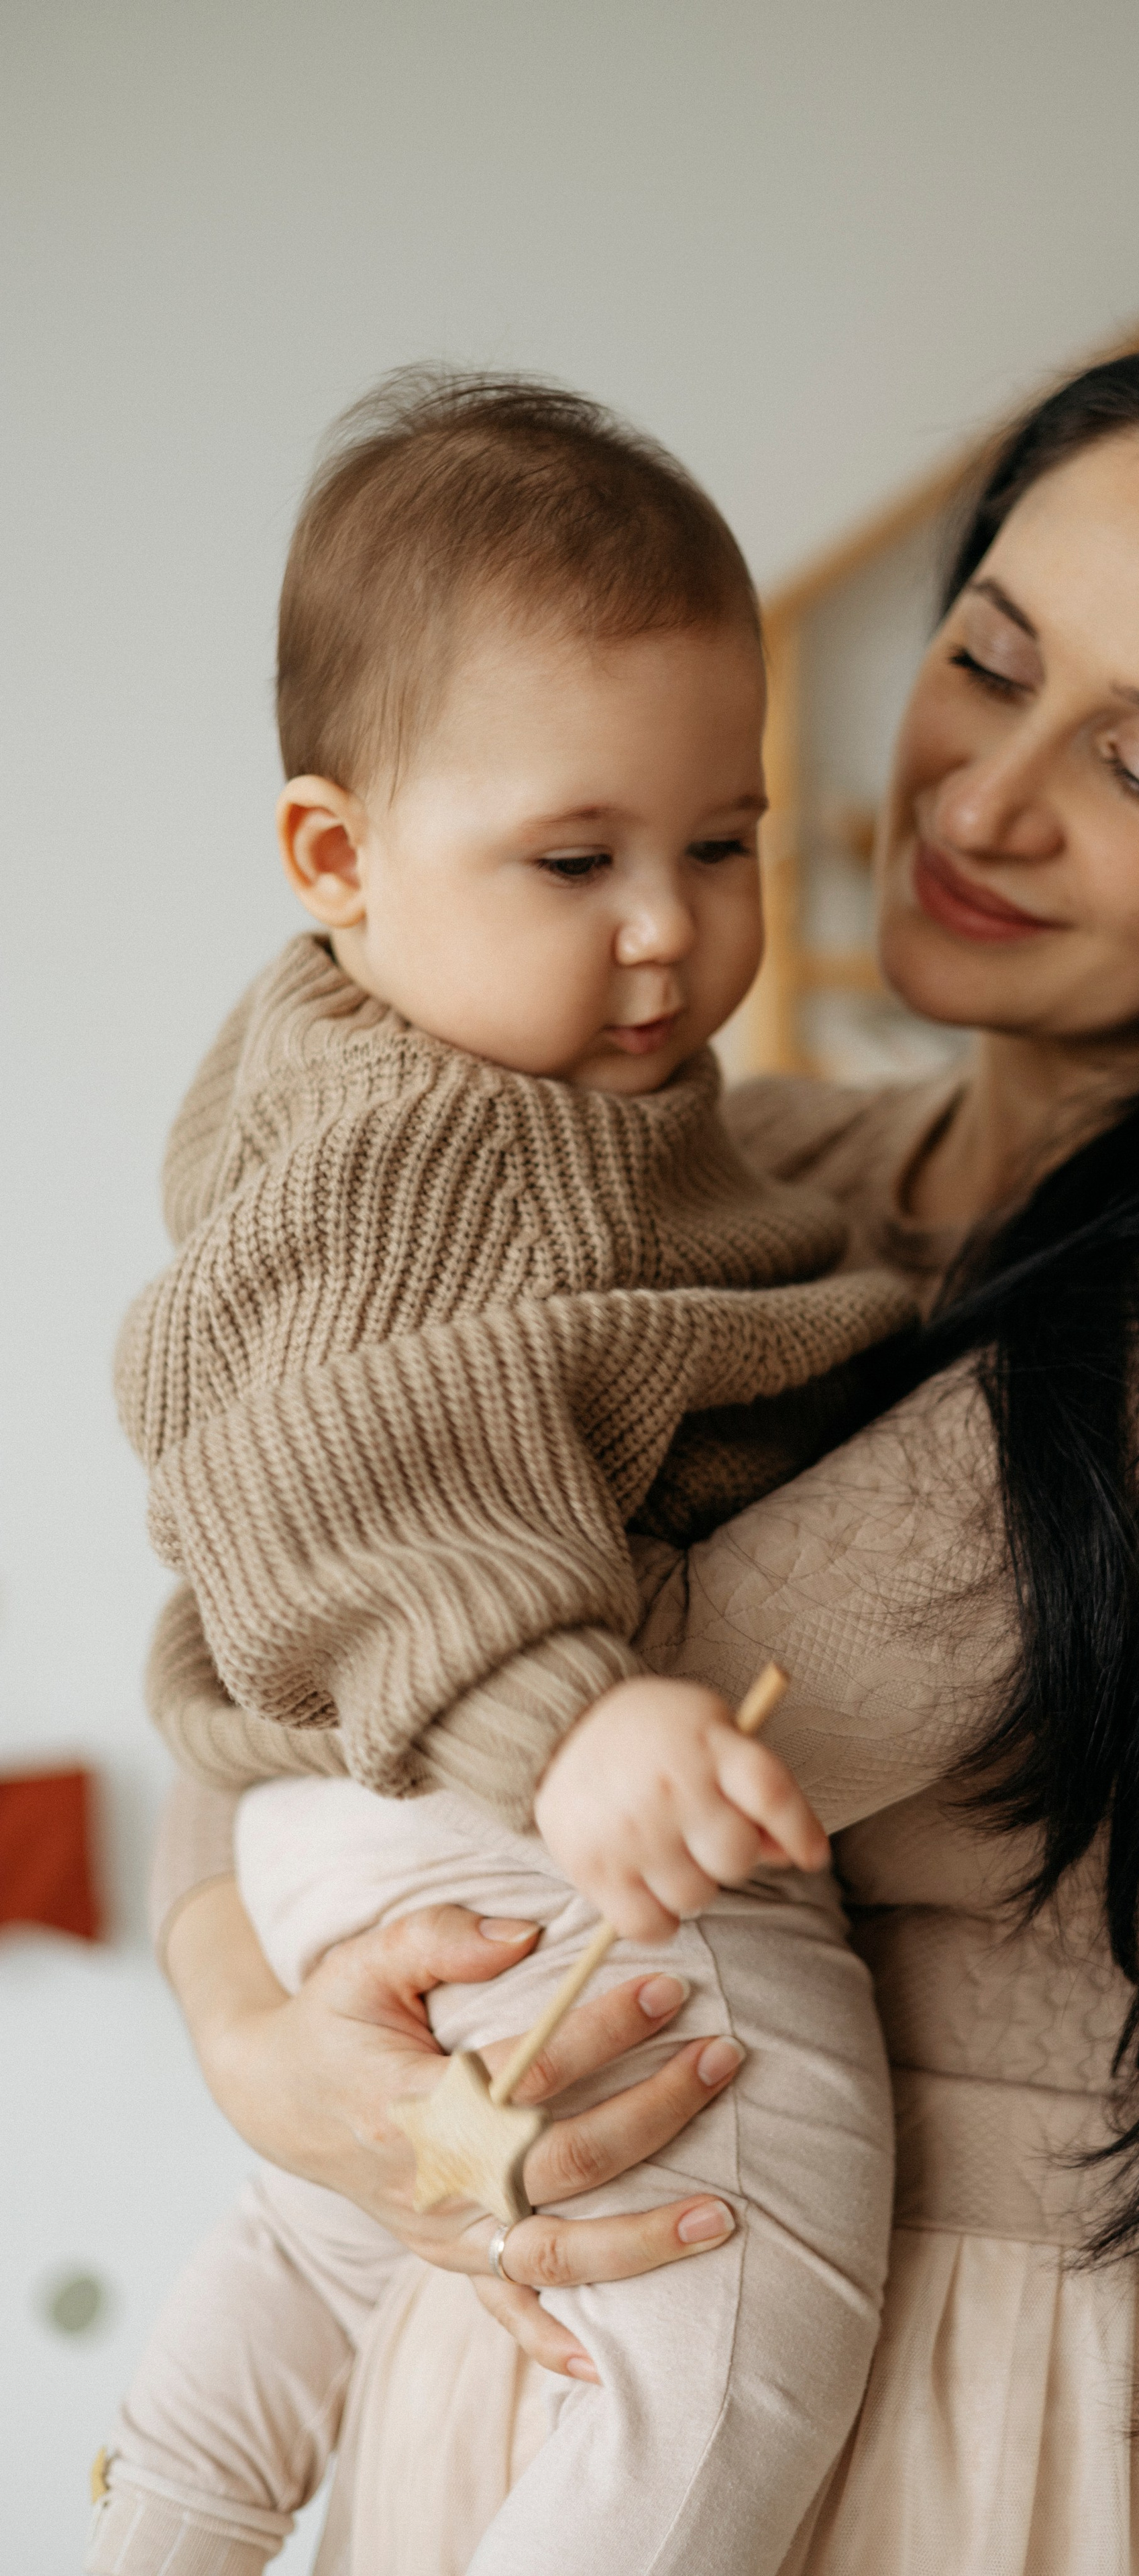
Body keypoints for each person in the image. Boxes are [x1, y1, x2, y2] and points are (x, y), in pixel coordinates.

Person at [144, 328, 1139, 2575]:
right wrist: (245, 2037)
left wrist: (290, 1923)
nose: (981, 801)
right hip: (575, 2326)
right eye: (987, 660)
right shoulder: (732, 1172)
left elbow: (389, 1606)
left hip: (1013, 2431)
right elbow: (301, 1496)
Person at [90, 372, 916, 2576]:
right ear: (338, 858)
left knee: (344, 2225)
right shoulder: (473, 1139)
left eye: (719, 843)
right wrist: (581, 1710)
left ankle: (168, 2517)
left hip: (328, 1821)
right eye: (578, 860)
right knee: (756, 2254)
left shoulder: (357, 1060)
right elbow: (372, 1468)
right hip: (495, 1783)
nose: (667, 928)